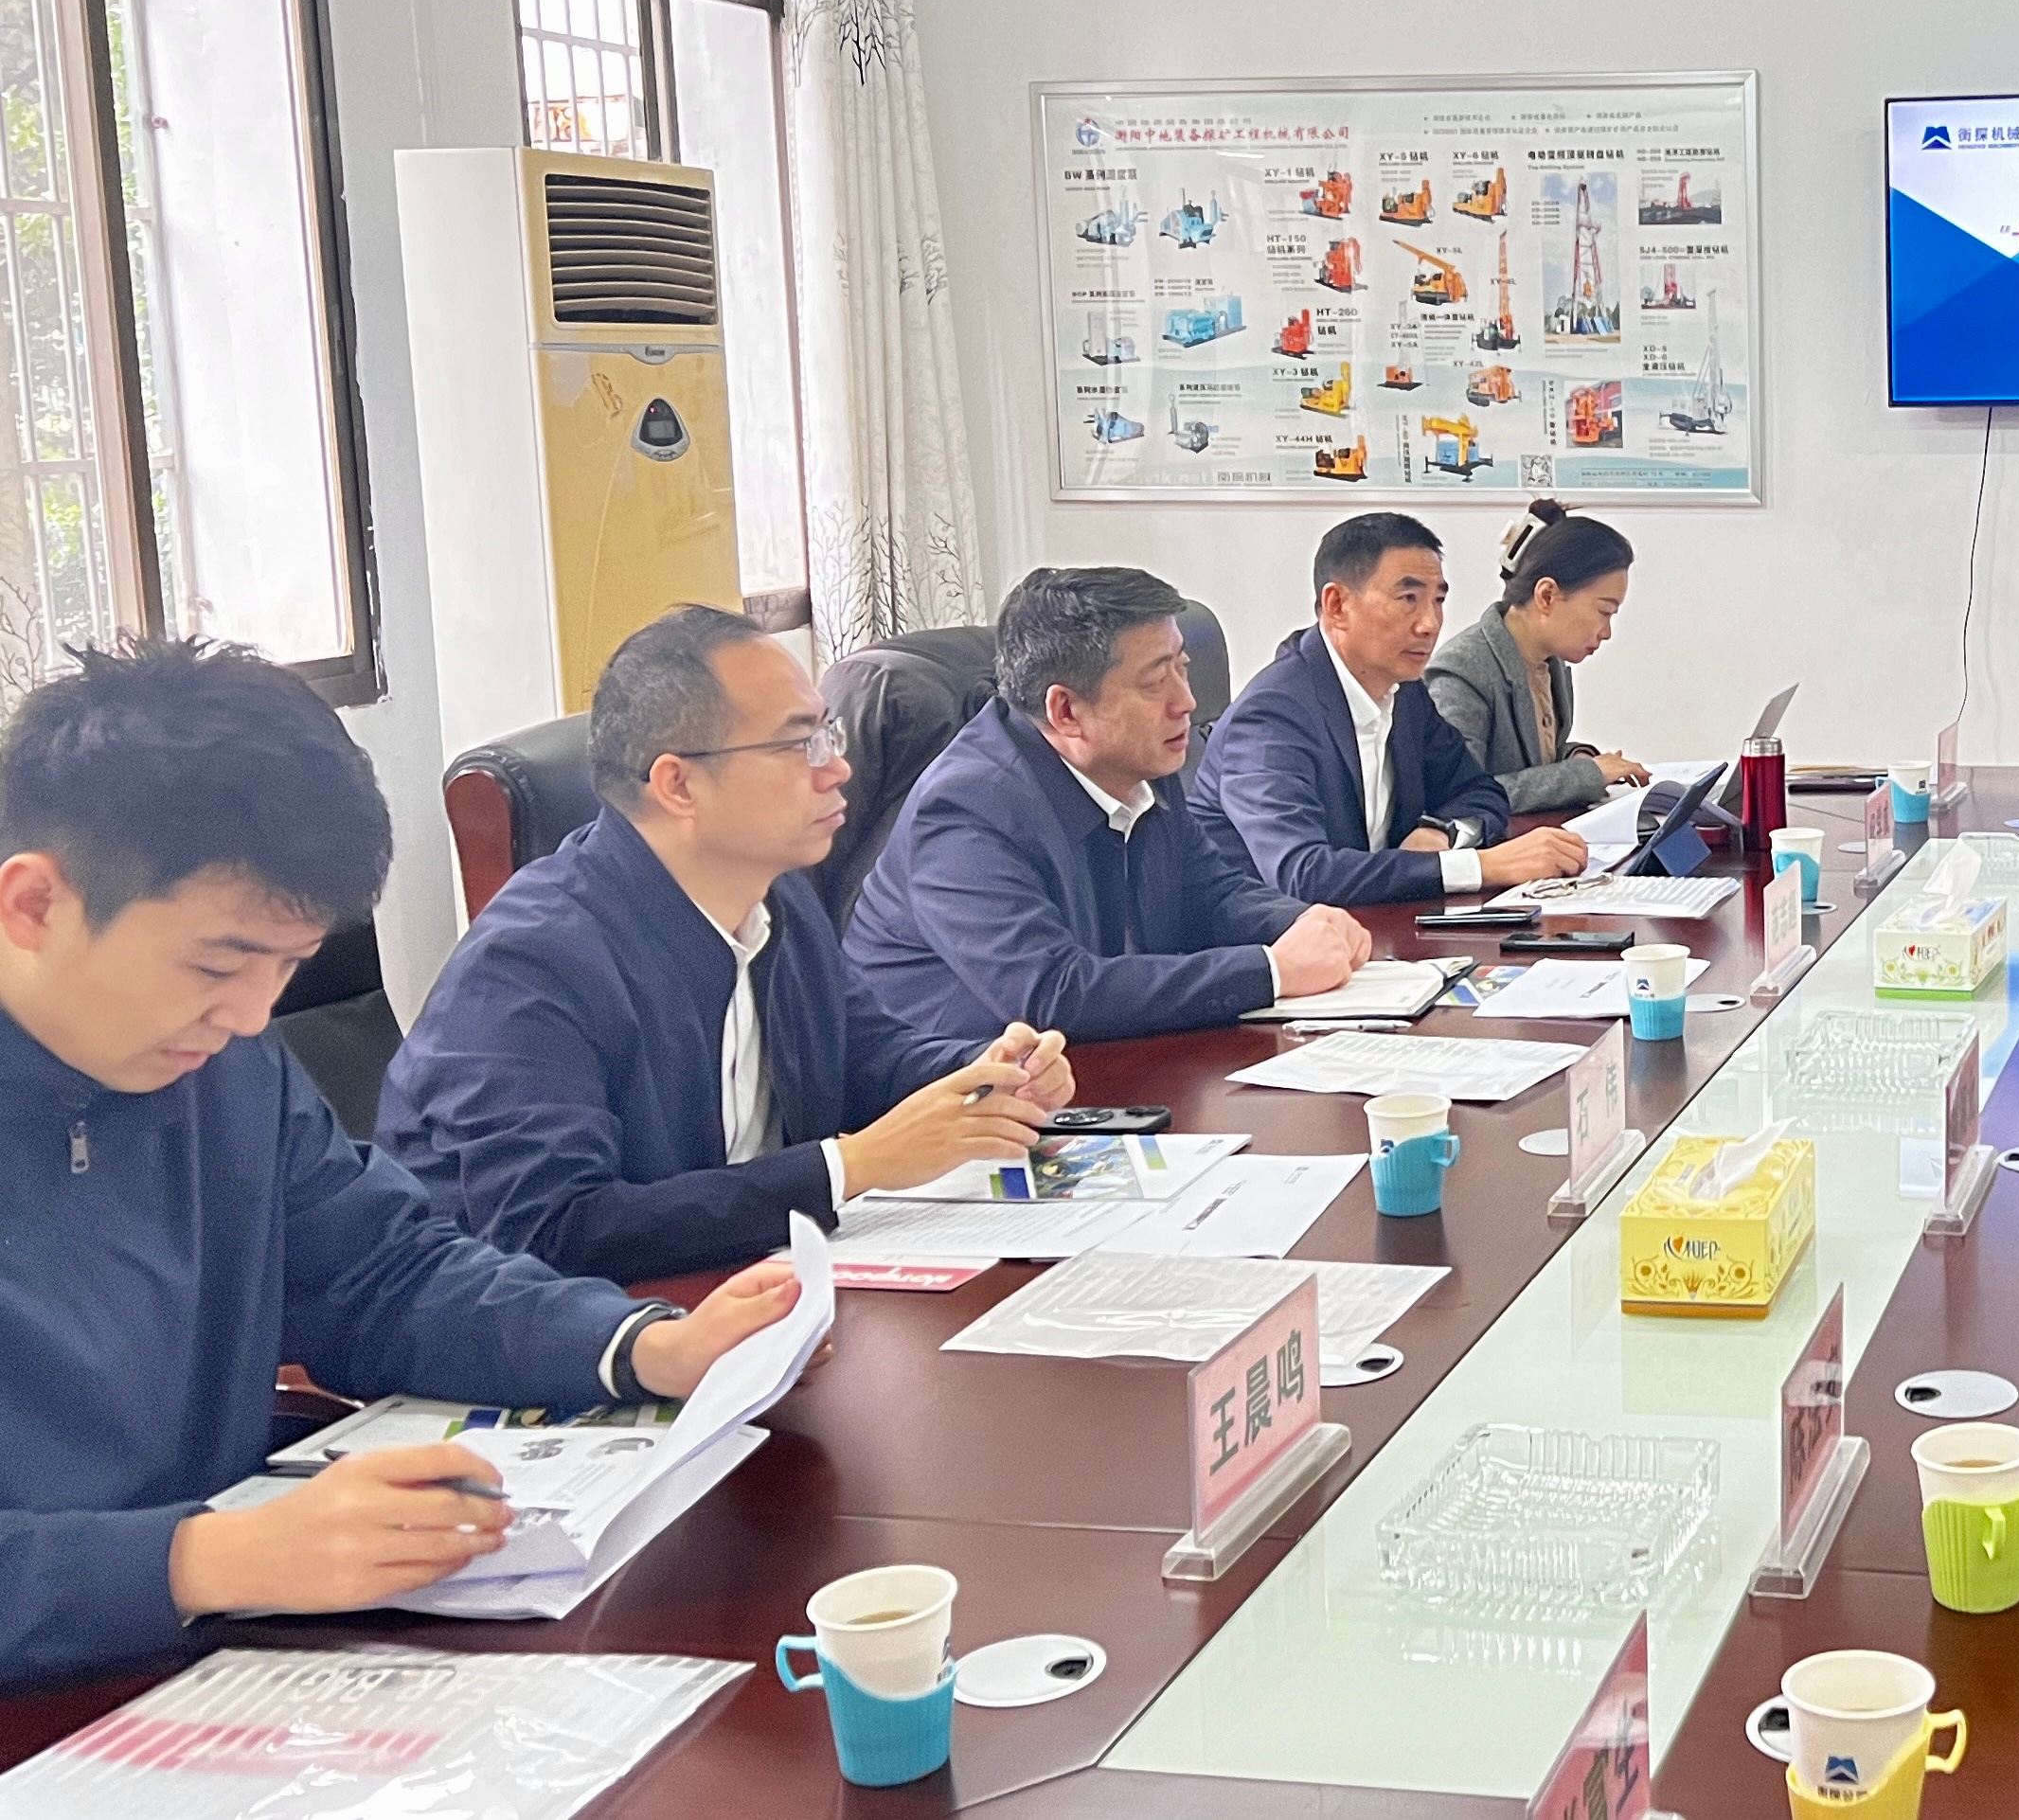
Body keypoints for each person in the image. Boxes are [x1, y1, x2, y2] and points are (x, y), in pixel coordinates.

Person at [1, 640, 800, 1693]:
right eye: (217, 964)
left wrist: (640, 1347)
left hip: (225, 1662)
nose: (251, 1017)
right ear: (34, 905)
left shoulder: (223, 1064)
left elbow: (382, 1273)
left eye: (287, 969)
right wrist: (204, 1558)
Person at [383, 606, 1077, 1282]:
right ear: (678, 784)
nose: (837, 769)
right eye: (798, 744)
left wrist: (981, 1072)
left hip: (747, 1284)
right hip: (568, 1330)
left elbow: (864, 1058)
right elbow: (558, 1231)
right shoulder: (530, 962)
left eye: (828, 734)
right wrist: (852, 1166)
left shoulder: (776, 894)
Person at [846, 566, 1373, 1040]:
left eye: (1183, 668)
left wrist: (1301, 922)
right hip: (956, 1088)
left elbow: (1210, 895)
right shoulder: (965, 811)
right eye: (1156, 681)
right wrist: (1272, 971)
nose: (1187, 702)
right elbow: (1053, 992)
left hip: (1092, 1063)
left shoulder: (1138, 762)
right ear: (1066, 711)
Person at [1196, 511, 1589, 904]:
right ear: (1337, 605)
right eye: (1408, 599)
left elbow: (1480, 791)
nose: (1429, 624)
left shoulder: (1405, 693)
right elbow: (1304, 873)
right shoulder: (1271, 717)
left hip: (1377, 918)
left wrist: (1441, 832)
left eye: (1438, 601)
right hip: (1274, 933)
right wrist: (1479, 866)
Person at [1428, 502, 1651, 816]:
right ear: (1547, 595)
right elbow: (1461, 795)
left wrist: (1577, 758)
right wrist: (1586, 775)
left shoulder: (1548, 661)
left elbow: (1533, 761)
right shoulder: (1461, 672)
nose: (1606, 632)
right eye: (1604, 611)